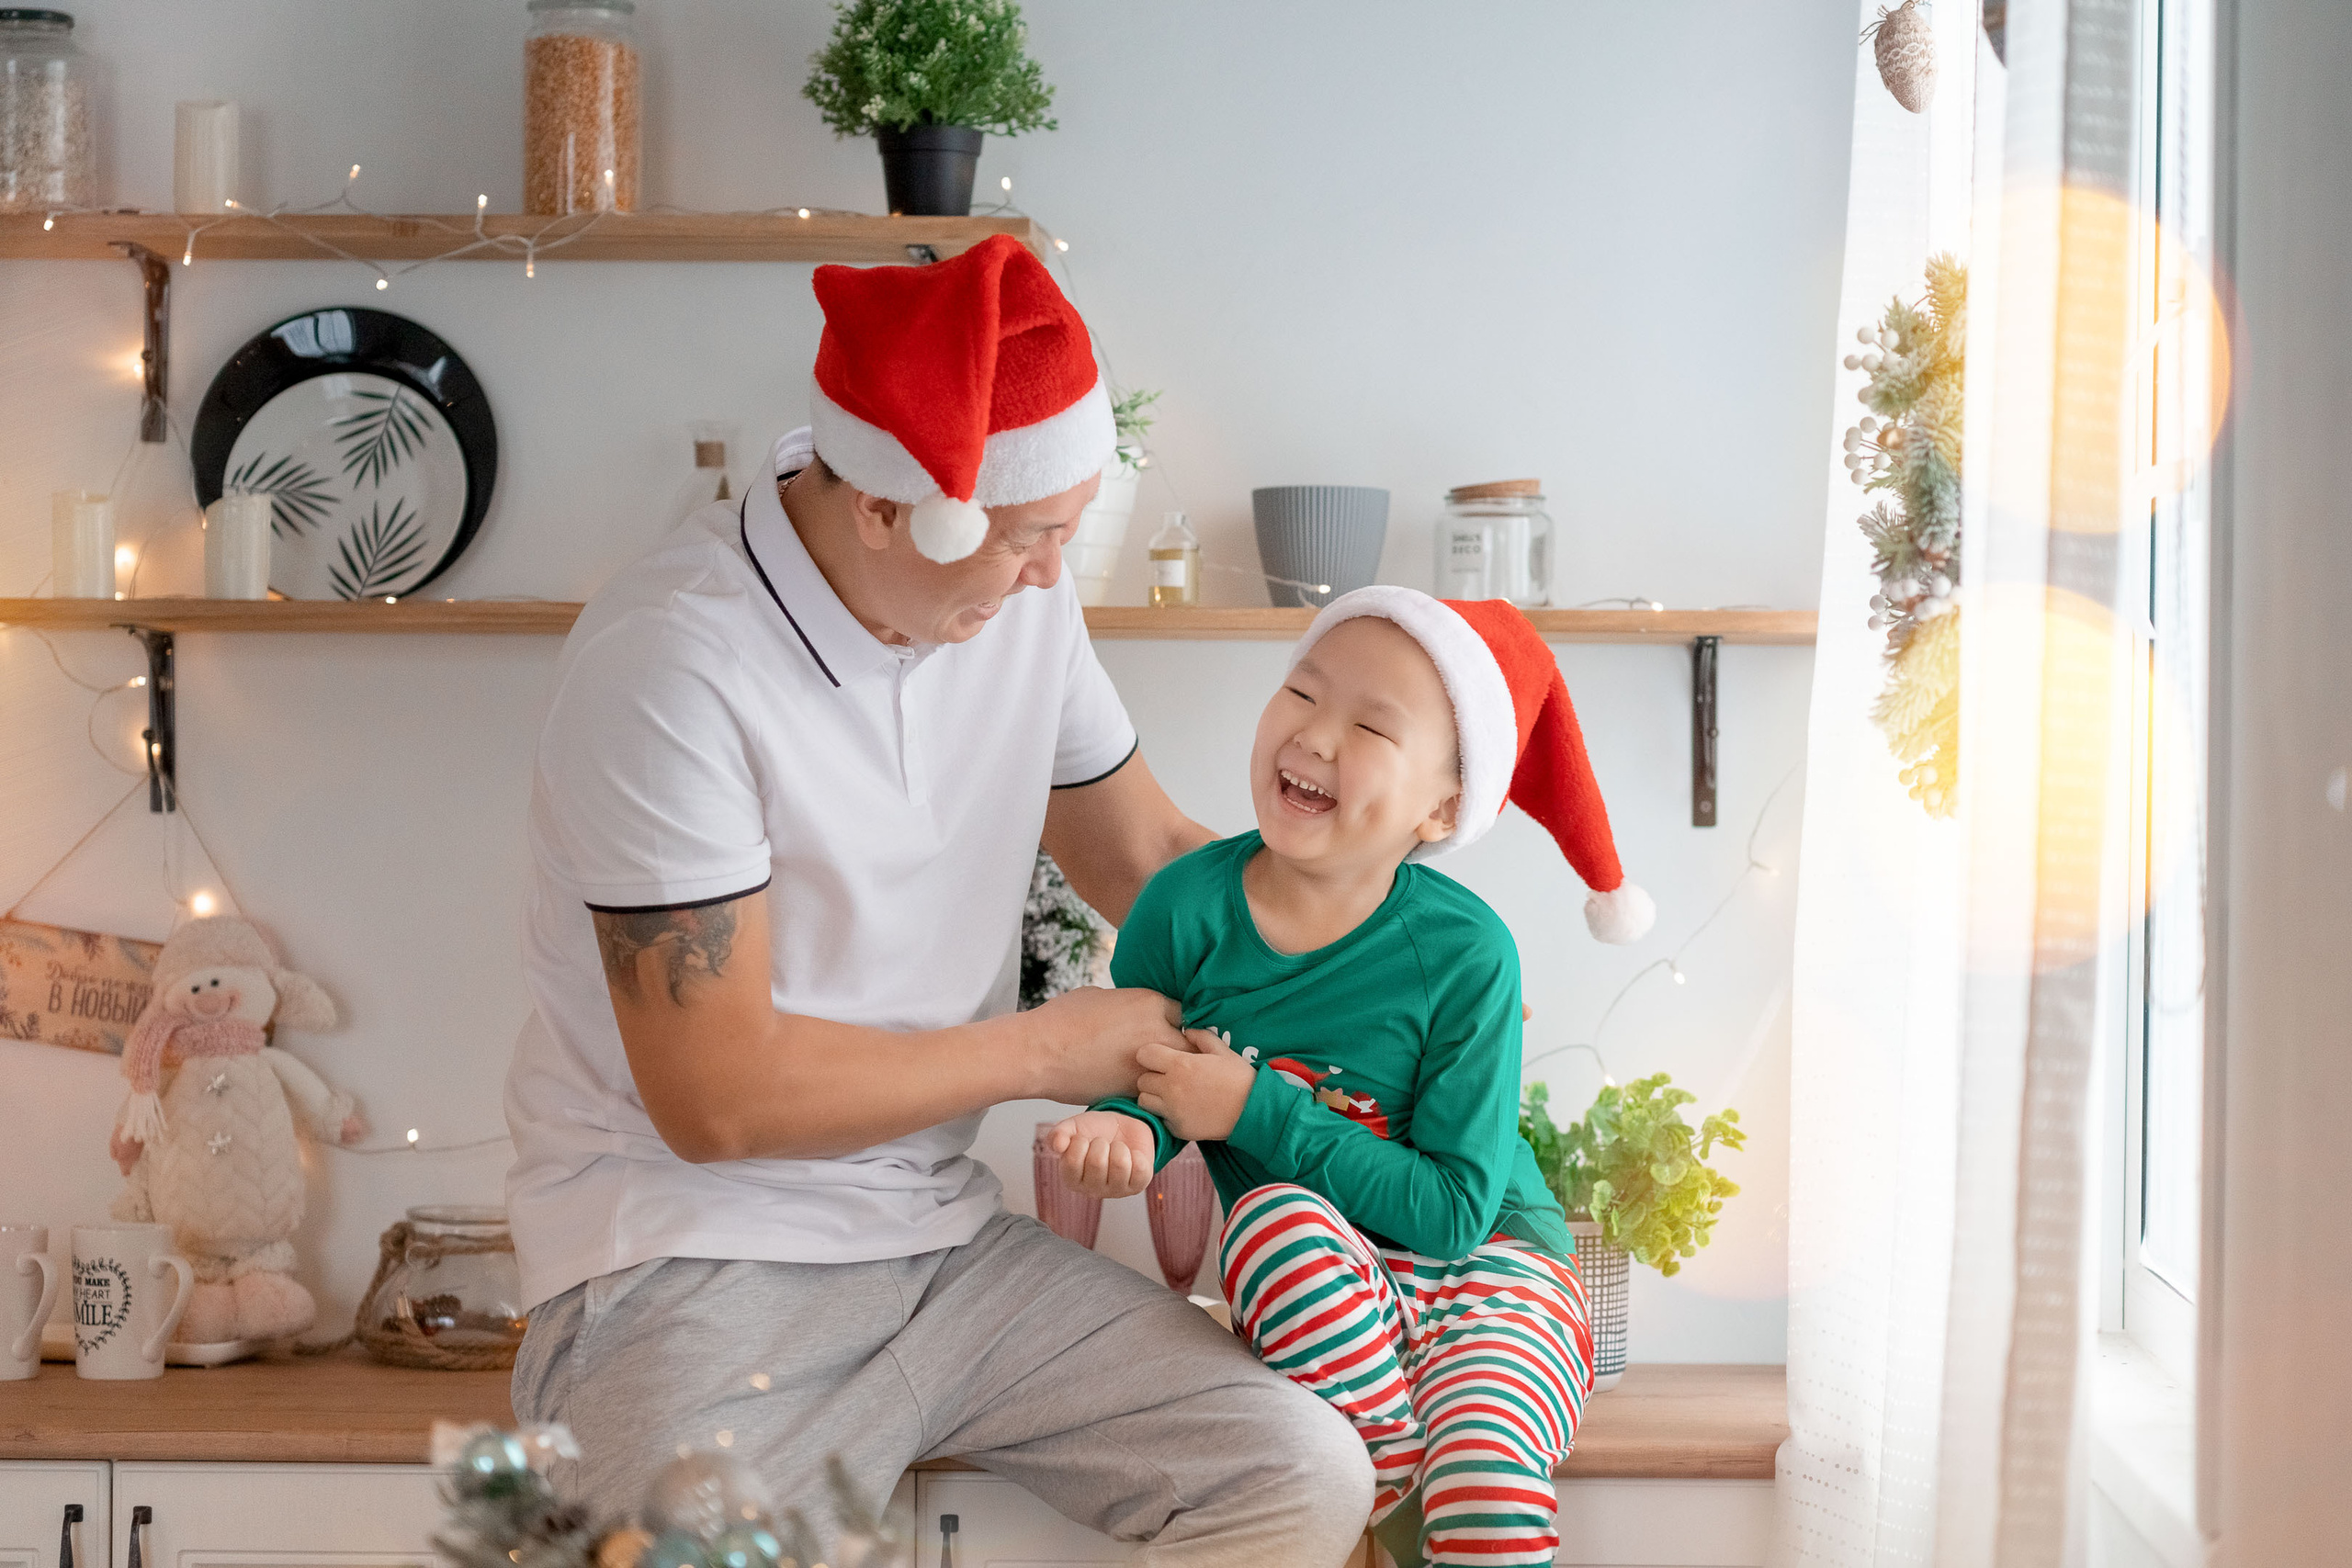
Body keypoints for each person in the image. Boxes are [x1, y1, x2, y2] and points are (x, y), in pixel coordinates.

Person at [504, 236, 1374, 1565]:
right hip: (689, 1267)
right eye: (1034, 540)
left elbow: (1140, 852)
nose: (1051, 575)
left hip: (945, 1254)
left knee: (1297, 1467)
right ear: (884, 509)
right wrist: (1049, 1048)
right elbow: (716, 1095)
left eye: (1066, 537)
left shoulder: (1015, 604)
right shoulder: (669, 664)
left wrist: (1386, 978)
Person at [1047, 586, 1656, 1568]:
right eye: (1301, 693)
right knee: (1269, 1224)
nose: (1316, 737)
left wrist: (1255, 1108)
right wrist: (1127, 1128)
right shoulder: (1183, 910)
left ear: (1443, 808)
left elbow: (1455, 1212)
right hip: (1327, 1296)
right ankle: (1397, 1494)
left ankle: (1409, 1499)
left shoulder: (1465, 954)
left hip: (1491, 1273)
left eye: (1371, 725)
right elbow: (1159, 1071)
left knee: (1489, 1486)